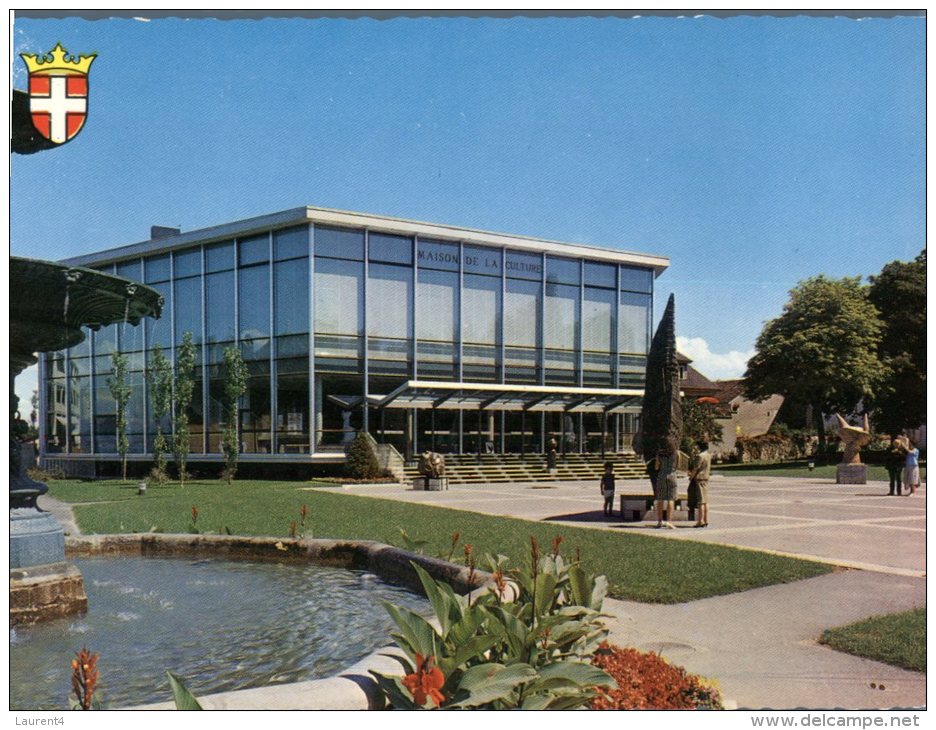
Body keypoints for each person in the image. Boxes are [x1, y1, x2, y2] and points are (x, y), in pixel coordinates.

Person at [653, 436, 678, 529]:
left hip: (662, 475)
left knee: (660, 499)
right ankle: (669, 521)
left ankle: (659, 521)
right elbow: (677, 465)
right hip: (672, 475)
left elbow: (656, 467)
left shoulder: (659, 454)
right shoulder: (676, 453)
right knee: (670, 499)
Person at [689, 441, 712, 527]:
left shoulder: (700, 456)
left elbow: (696, 468)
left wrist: (691, 476)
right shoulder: (708, 455)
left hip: (700, 478)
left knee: (700, 501)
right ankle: (706, 520)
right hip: (706, 478)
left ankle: (700, 521)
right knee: (705, 501)